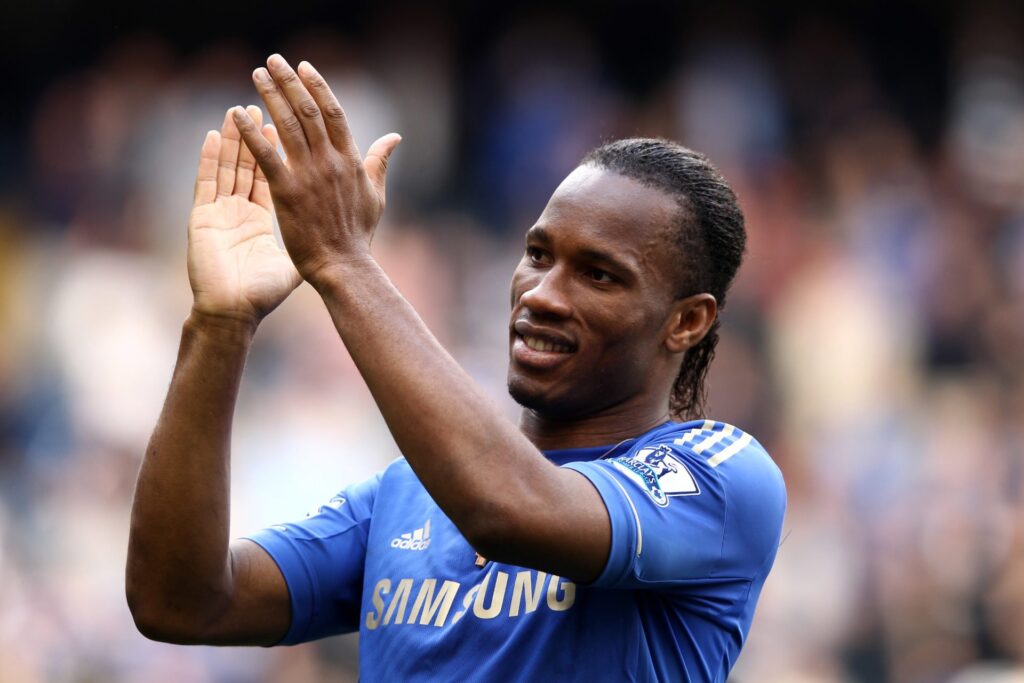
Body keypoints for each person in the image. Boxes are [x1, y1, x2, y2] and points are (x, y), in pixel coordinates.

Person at [125, 53, 786, 682]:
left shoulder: (721, 477)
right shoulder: (406, 493)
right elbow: (179, 601)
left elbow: (509, 508)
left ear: (687, 320)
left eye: (599, 275)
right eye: (538, 253)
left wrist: (342, 262)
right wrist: (220, 324)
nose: (543, 293)